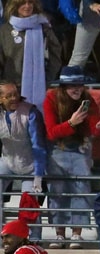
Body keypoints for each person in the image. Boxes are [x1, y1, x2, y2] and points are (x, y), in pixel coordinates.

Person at [42, 66, 100, 249]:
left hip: (80, 150)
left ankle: (76, 235)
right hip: (57, 150)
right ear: (63, 86)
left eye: (79, 85)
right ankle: (59, 235)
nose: (76, 89)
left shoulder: (87, 99)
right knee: (57, 192)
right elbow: (50, 133)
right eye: (72, 85)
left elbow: (92, 130)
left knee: (81, 190)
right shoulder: (51, 97)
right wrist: (71, 123)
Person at [0, 81, 47, 240]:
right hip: (8, 160)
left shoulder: (31, 113)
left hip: (31, 163)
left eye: (16, 94)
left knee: (29, 203)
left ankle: (33, 240)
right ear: (1, 99)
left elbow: (38, 145)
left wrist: (38, 175)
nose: (14, 98)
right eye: (9, 96)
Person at [0, 0, 62, 109]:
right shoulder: (4, 30)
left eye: (30, 2)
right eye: (23, 3)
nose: (27, 6)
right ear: (15, 6)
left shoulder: (43, 27)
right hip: (12, 91)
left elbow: (55, 53)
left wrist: (47, 77)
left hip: (40, 86)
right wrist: (5, 85)